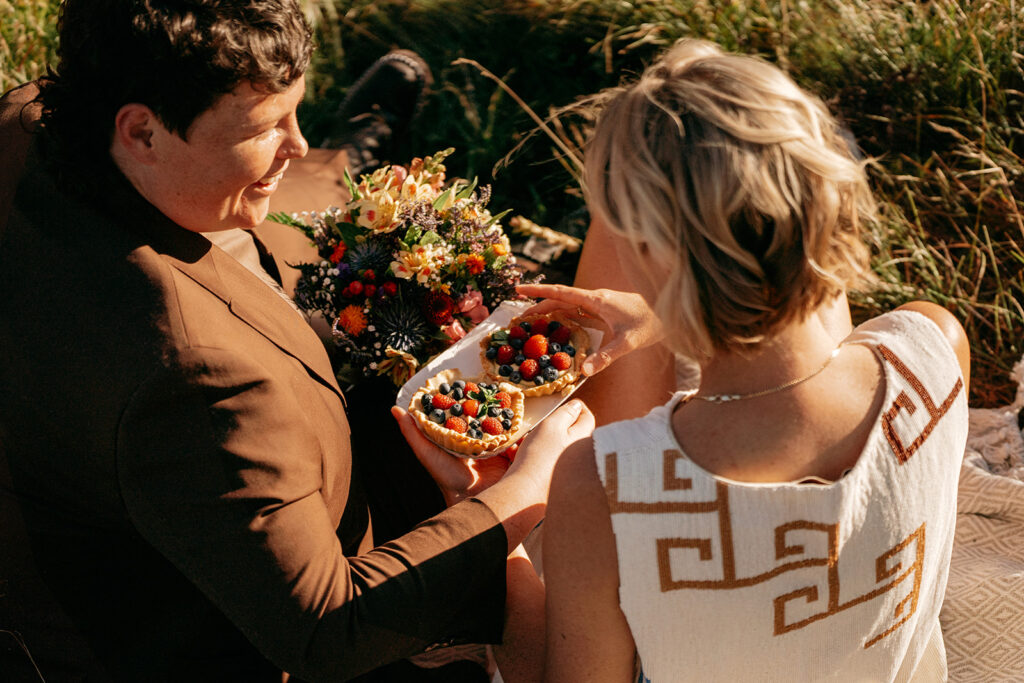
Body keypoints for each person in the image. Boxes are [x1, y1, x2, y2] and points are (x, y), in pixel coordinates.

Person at [0, 1, 592, 681]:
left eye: (297, 113)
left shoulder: (33, 118)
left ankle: (356, 161)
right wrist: (522, 491)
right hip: (198, 622)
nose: (295, 141)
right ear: (142, 132)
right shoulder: (197, 372)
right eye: (265, 126)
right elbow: (327, 628)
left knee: (323, 219)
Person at [517, 38, 971, 681]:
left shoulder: (602, 485)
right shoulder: (934, 346)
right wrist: (667, 311)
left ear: (653, 254)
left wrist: (497, 535)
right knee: (696, 56)